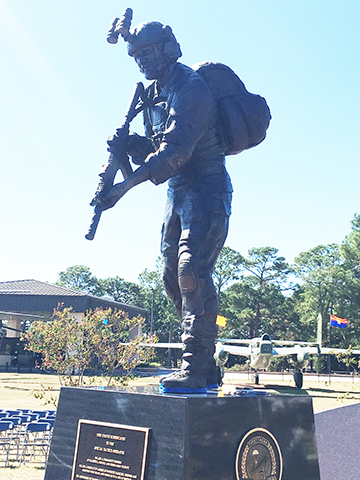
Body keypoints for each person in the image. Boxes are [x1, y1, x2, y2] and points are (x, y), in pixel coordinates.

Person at [101, 20, 232, 393]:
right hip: (177, 195)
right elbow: (156, 150)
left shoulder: (191, 87)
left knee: (191, 271)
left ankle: (193, 367)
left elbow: (176, 153)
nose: (141, 61)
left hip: (207, 189)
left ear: (167, 49)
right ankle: (206, 366)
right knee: (171, 279)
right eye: (136, 55)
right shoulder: (154, 93)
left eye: (147, 52)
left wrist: (124, 187)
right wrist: (127, 146)